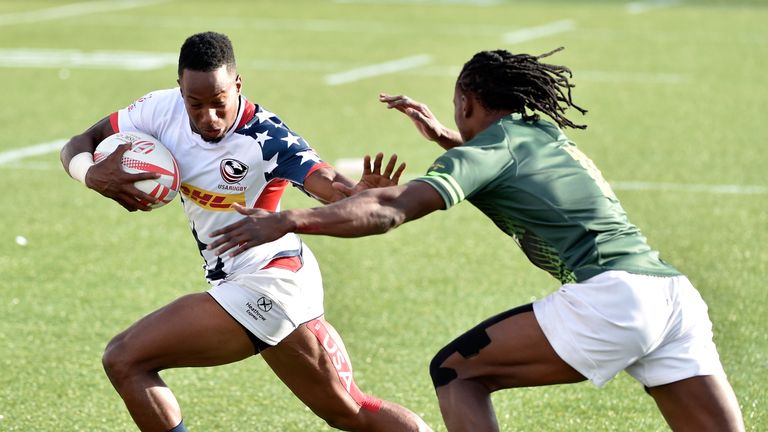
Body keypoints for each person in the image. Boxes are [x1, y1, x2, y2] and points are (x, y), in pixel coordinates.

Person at [207, 48, 746, 431]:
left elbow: (392, 208)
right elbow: (509, 161)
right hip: (674, 298)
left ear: (467, 100)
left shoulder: (484, 153)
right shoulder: (540, 132)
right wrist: (447, 136)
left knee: (456, 371)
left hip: (613, 300)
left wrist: (288, 220)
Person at [60, 31, 431, 432]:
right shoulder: (158, 110)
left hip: (268, 280)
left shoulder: (267, 137)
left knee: (124, 358)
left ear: (237, 86)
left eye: (218, 103)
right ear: (179, 88)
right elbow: (80, 142)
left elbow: (324, 180)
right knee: (350, 411)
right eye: (195, 104)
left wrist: (354, 194)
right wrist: (91, 174)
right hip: (268, 276)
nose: (208, 117)